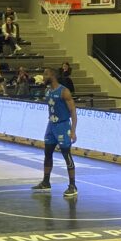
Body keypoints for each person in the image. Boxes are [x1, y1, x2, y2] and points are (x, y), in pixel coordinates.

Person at [34, 67, 78, 198]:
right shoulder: (48, 91)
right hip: (51, 125)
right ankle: (46, 182)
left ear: (52, 75)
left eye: (45, 74)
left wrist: (73, 131)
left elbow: (73, 112)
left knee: (66, 154)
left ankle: (72, 186)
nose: (43, 76)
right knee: (47, 153)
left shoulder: (64, 91)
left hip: (63, 126)